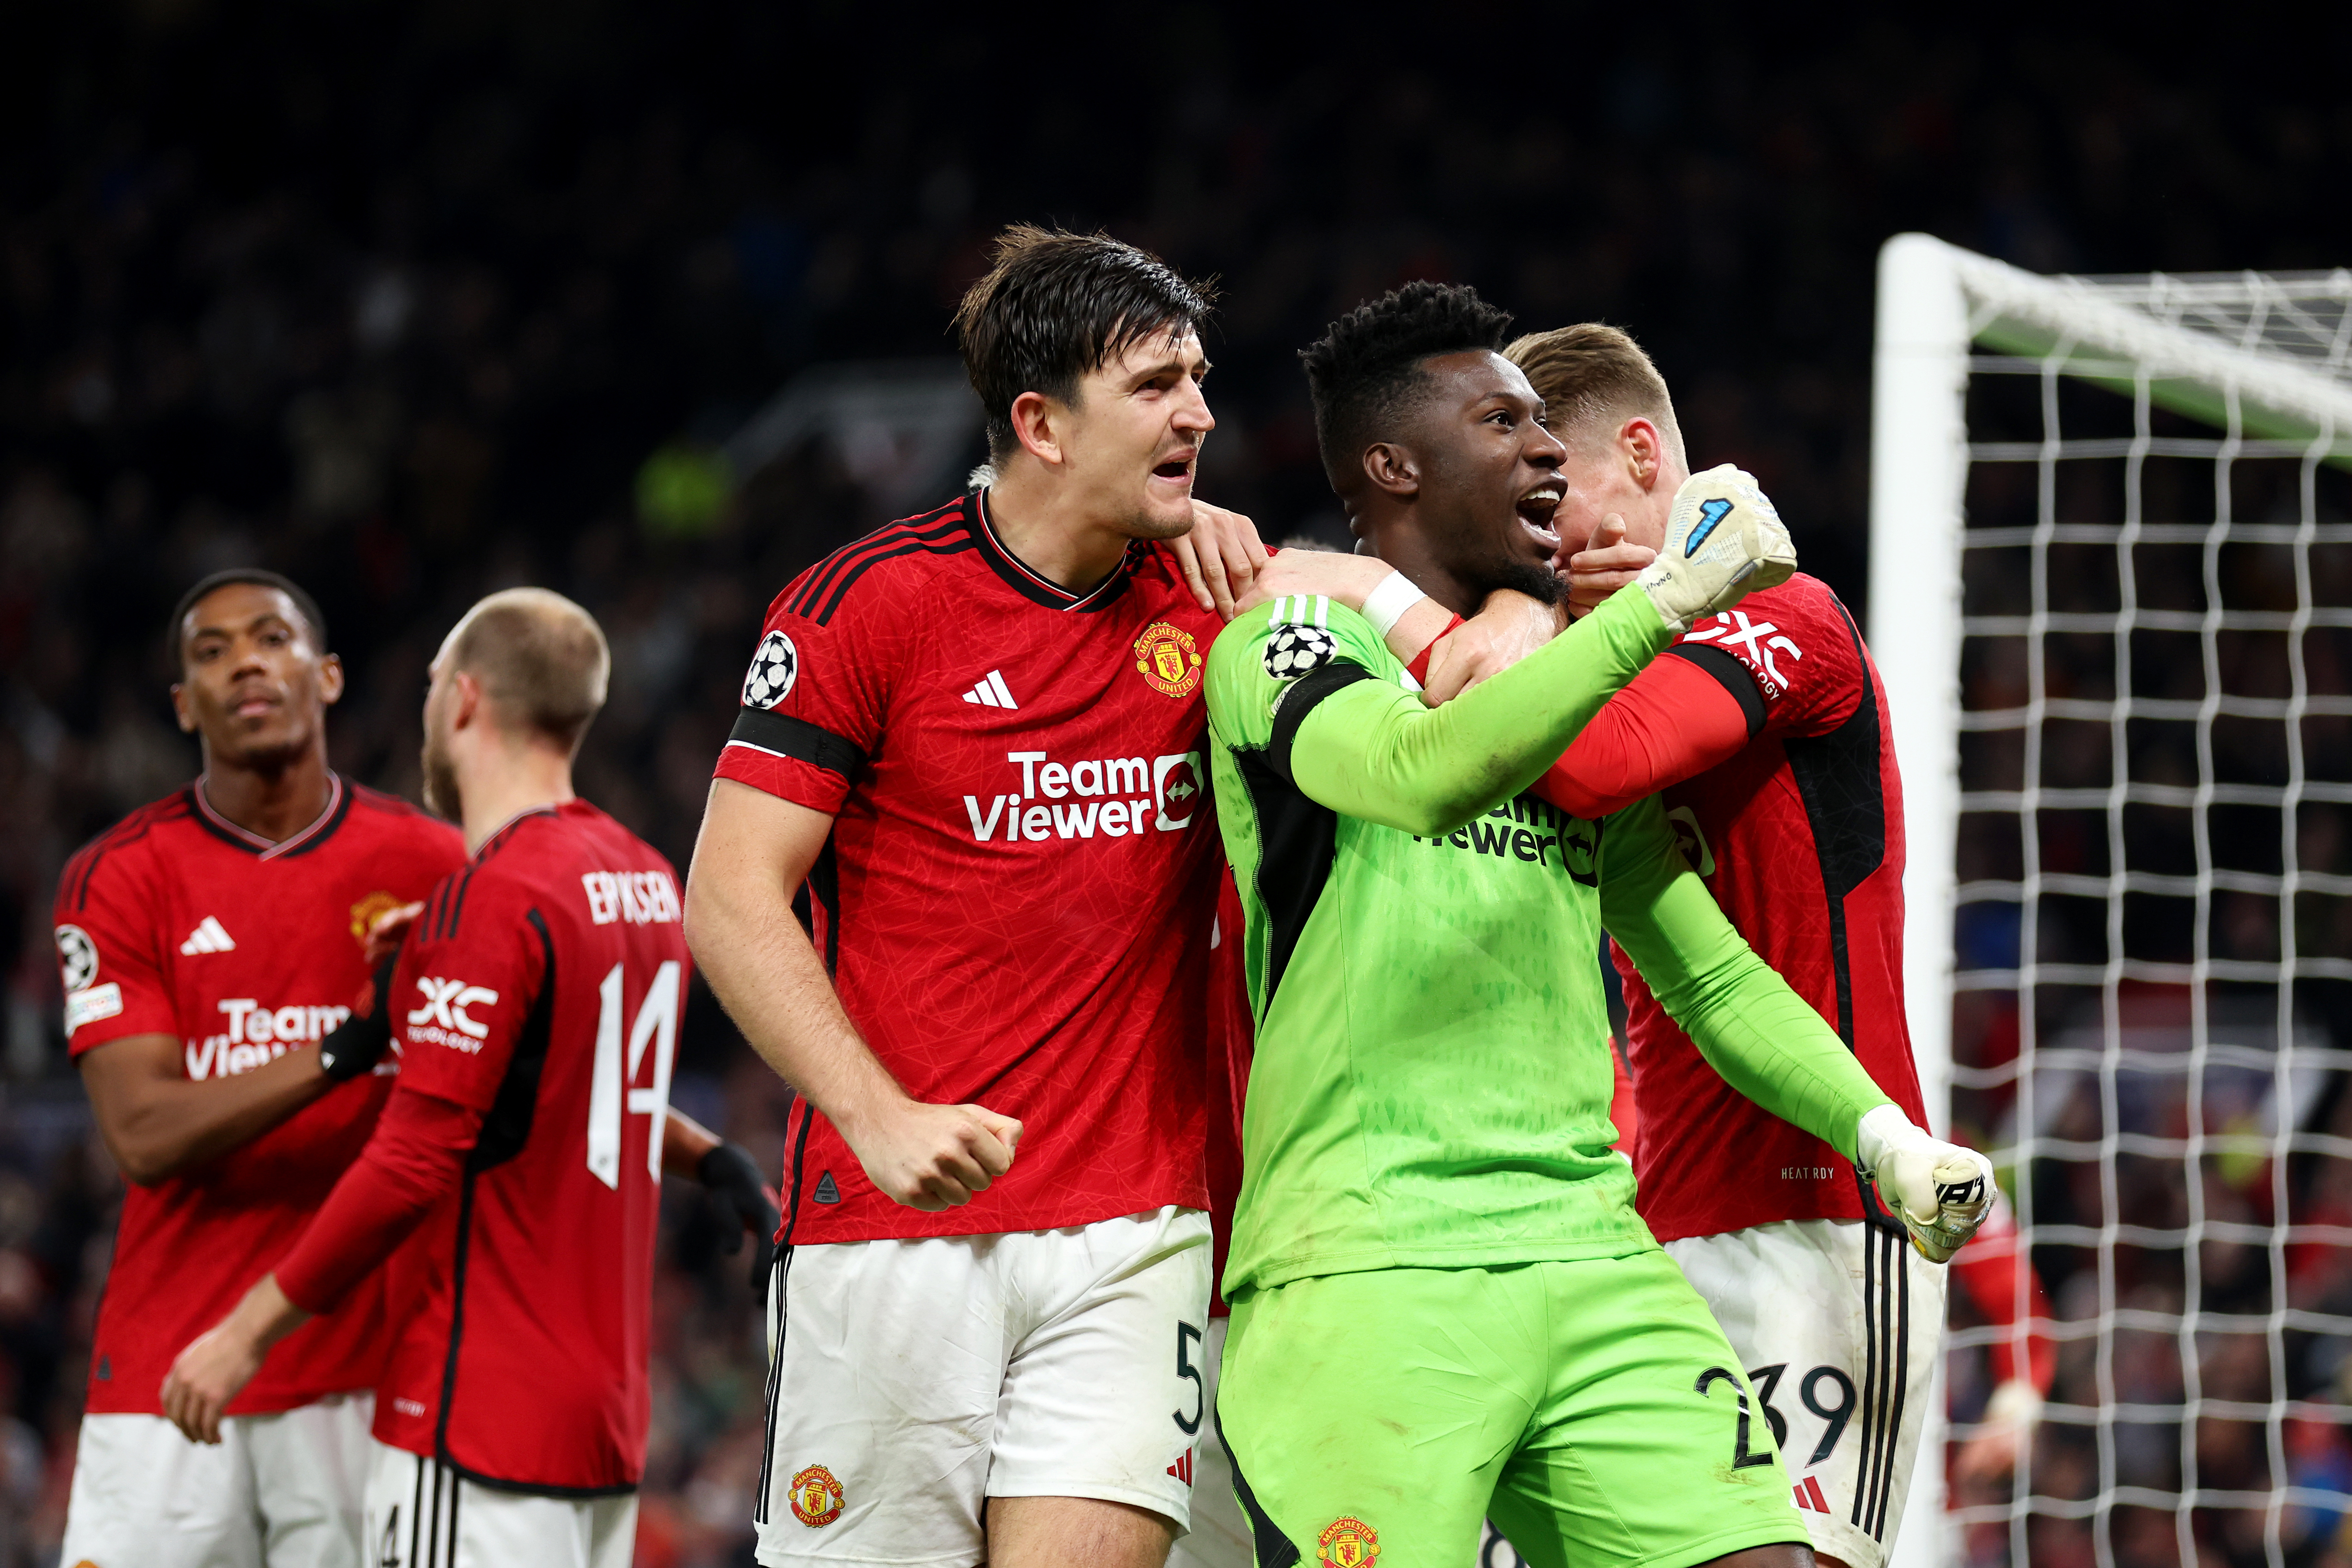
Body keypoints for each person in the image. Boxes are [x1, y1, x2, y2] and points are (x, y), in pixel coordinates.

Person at [680, 225, 1458, 1568]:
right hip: (892, 1231)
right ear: (1039, 422)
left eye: (1199, 379)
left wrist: (1446, 611)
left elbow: (1403, 628)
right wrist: (874, 1117)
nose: (1200, 413)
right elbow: (732, 897)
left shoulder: (1205, 589)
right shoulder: (867, 607)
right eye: (1156, 386)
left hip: (1133, 1227)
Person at [1201, 282, 1995, 1568]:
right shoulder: (1289, 638)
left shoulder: (1557, 705)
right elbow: (1420, 773)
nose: (1540, 451)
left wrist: (1880, 1136)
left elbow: (1706, 975)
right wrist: (1663, 594)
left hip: (1594, 1258)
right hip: (1369, 1263)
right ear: (1392, 465)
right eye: (1501, 422)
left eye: (1545, 428)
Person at [1447, 321, 1953, 1565]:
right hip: (1642, 1225)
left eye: (1547, 501)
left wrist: (1542, 625)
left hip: (1815, 1224)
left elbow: (1593, 764)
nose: (1536, 545)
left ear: (1636, 455)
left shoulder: (1787, 614)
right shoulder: (1591, 655)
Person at [158, 588, 775, 1566]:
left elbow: (413, 1155)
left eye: (431, 686)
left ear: (463, 701)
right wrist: (715, 1157)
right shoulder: (645, 878)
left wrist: (243, 1331)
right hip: (603, 1426)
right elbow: (582, 1078)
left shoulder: (490, 901)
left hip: (476, 1417)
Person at [52, 569, 468, 1568]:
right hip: (168, 1371)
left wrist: (699, 1155)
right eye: (211, 650)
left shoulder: (438, 863)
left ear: (325, 676)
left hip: (368, 1374)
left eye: (272, 638)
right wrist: (343, 1051)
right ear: (182, 704)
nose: (245, 659)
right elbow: (144, 1136)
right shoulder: (120, 875)